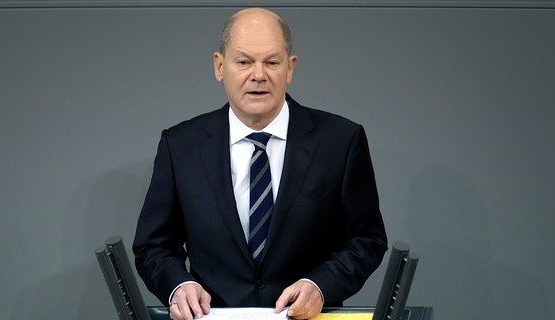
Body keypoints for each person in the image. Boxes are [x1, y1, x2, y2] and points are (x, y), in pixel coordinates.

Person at [132, 7, 387, 320]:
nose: (258, 75)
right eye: (243, 62)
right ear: (219, 66)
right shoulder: (180, 145)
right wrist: (179, 285)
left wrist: (320, 285)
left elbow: (367, 239)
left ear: (290, 68)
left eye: (272, 62)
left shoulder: (341, 140)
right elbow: (153, 246)